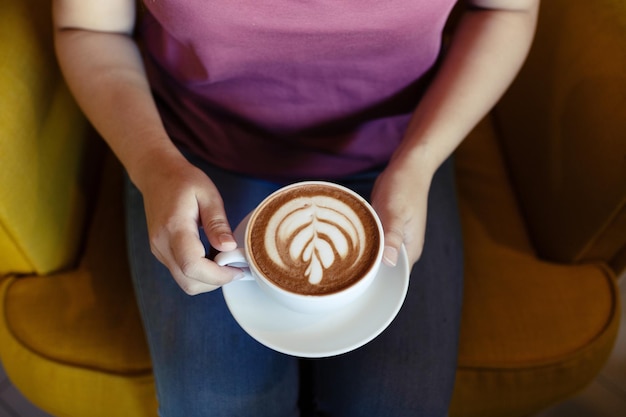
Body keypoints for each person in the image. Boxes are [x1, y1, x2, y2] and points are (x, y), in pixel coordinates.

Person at [53, 0, 539, 416]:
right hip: (188, 154)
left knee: (396, 403)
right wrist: (152, 163)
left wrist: (421, 160)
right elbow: (89, 25)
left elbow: (505, 9)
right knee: (215, 402)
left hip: (402, 154)